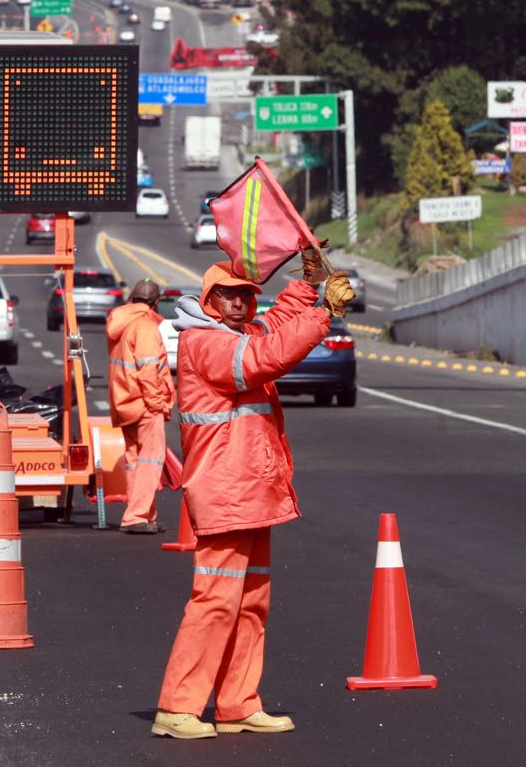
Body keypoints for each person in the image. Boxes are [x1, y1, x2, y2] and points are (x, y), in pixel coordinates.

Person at [151, 250, 354, 740]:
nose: (240, 303)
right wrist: (324, 313)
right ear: (209, 300)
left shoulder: (234, 335)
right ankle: (177, 707)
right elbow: (264, 358)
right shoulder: (205, 343)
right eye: (229, 295)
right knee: (216, 602)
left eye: (245, 295)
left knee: (250, 603)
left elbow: (274, 326)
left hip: (250, 492)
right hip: (226, 493)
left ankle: (237, 704)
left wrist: (306, 286)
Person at [106, 279, 175, 533]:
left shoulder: (122, 323)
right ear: (155, 302)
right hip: (145, 405)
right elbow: (148, 371)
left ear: (132, 299)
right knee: (150, 461)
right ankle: (136, 517)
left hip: (126, 402)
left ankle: (144, 515)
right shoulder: (145, 327)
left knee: (136, 461)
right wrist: (158, 404)